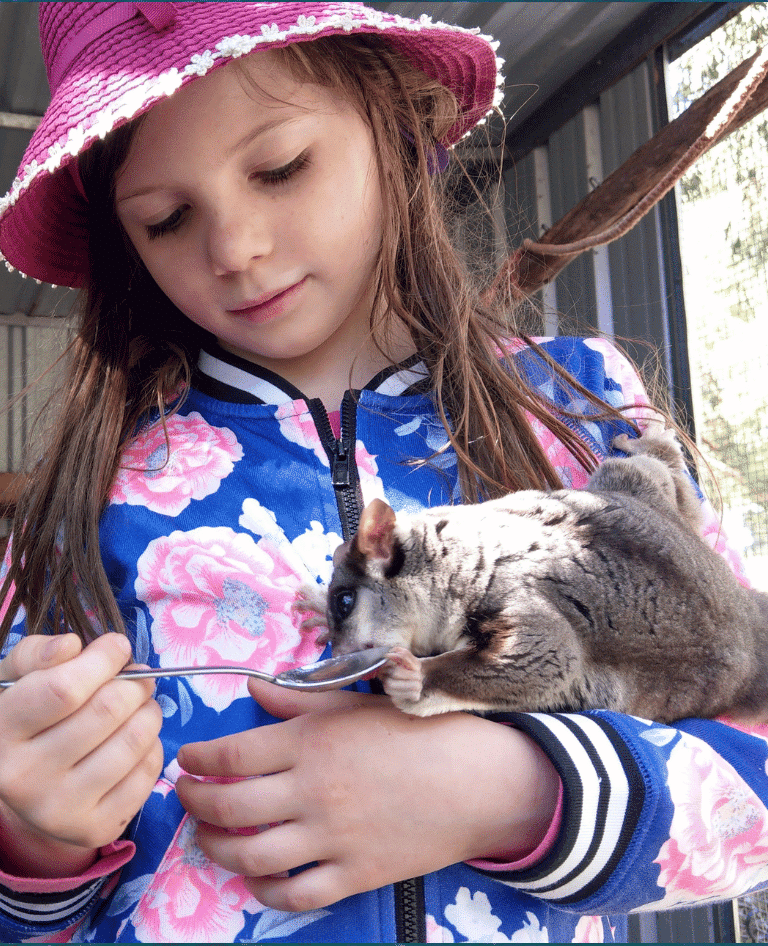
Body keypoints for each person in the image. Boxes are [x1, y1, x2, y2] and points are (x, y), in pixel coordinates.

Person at [0, 2, 765, 942]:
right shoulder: (87, 505)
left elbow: (751, 760)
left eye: (282, 168)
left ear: (392, 120)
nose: (235, 249)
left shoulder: (580, 418)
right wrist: (31, 845)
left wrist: (510, 792)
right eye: (165, 220)